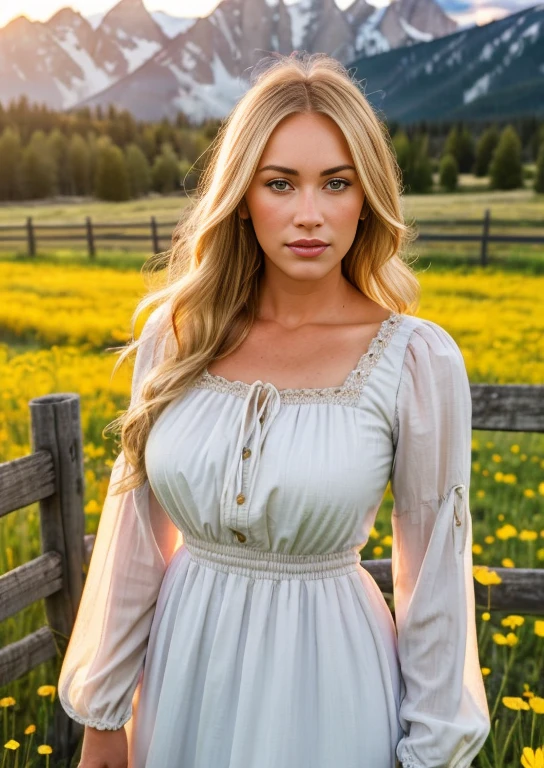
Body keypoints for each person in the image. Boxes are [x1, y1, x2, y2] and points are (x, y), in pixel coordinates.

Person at [57, 52, 491, 768]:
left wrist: (436, 753)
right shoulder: (178, 335)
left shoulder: (415, 359)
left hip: (330, 679)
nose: (309, 215)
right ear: (243, 194)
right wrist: (103, 711)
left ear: (367, 196)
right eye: (280, 183)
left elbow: (435, 577)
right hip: (184, 667)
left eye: (336, 183)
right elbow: (135, 528)